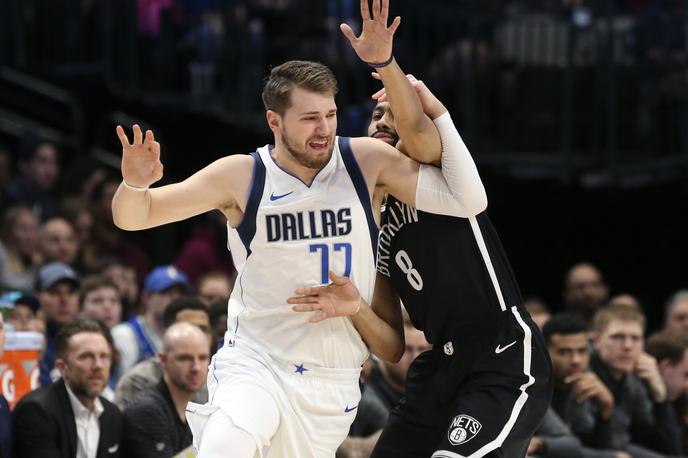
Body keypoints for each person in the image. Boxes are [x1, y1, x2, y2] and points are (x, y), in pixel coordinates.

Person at [112, 0, 485, 455]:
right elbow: (137, 216)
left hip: (330, 383)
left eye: (329, 115)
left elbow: (468, 198)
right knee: (226, 446)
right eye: (309, 118)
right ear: (275, 120)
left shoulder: (365, 162)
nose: (324, 129)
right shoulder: (241, 175)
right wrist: (133, 184)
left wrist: (396, 74)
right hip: (256, 361)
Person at [290, 9, 551, 458]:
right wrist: (355, 308)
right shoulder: (369, 229)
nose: (384, 121)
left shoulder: (432, 175)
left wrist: (388, 66)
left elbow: (417, 129)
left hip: (500, 353)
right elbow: (391, 345)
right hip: (438, 366)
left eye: (394, 112)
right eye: (376, 114)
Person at [12, 319, 122, 458]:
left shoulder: (111, 414)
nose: (98, 365)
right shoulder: (37, 411)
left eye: (104, 356)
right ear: (62, 368)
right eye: (86, 356)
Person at [590, 304, 682, 457]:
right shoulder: (583, 374)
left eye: (635, 338)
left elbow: (669, 449)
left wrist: (660, 395)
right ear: (596, 341)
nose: (627, 346)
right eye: (618, 337)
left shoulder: (632, 380)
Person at [542, 315, 628, 458]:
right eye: (564, 352)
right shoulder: (532, 388)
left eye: (582, 351)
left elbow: (608, 447)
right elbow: (568, 447)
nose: (576, 360)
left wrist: (606, 411)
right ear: (544, 352)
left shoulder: (590, 382)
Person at [121, 322, 209, 457]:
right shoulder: (146, 411)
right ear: (162, 359)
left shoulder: (199, 407)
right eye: (185, 358)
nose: (196, 368)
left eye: (202, 358)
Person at [114, 296, 210, 410]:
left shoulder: (216, 380)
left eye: (202, 329)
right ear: (166, 334)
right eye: (186, 329)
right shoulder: (139, 381)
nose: (195, 336)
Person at [110, 265, 190, 372]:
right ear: (147, 298)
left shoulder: (188, 336)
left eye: (180, 294)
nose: (175, 299)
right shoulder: (125, 334)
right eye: (166, 293)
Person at [36, 261, 81, 386]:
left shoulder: (88, 339)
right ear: (37, 296)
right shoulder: (30, 339)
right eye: (54, 292)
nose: (64, 300)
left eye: (70, 292)